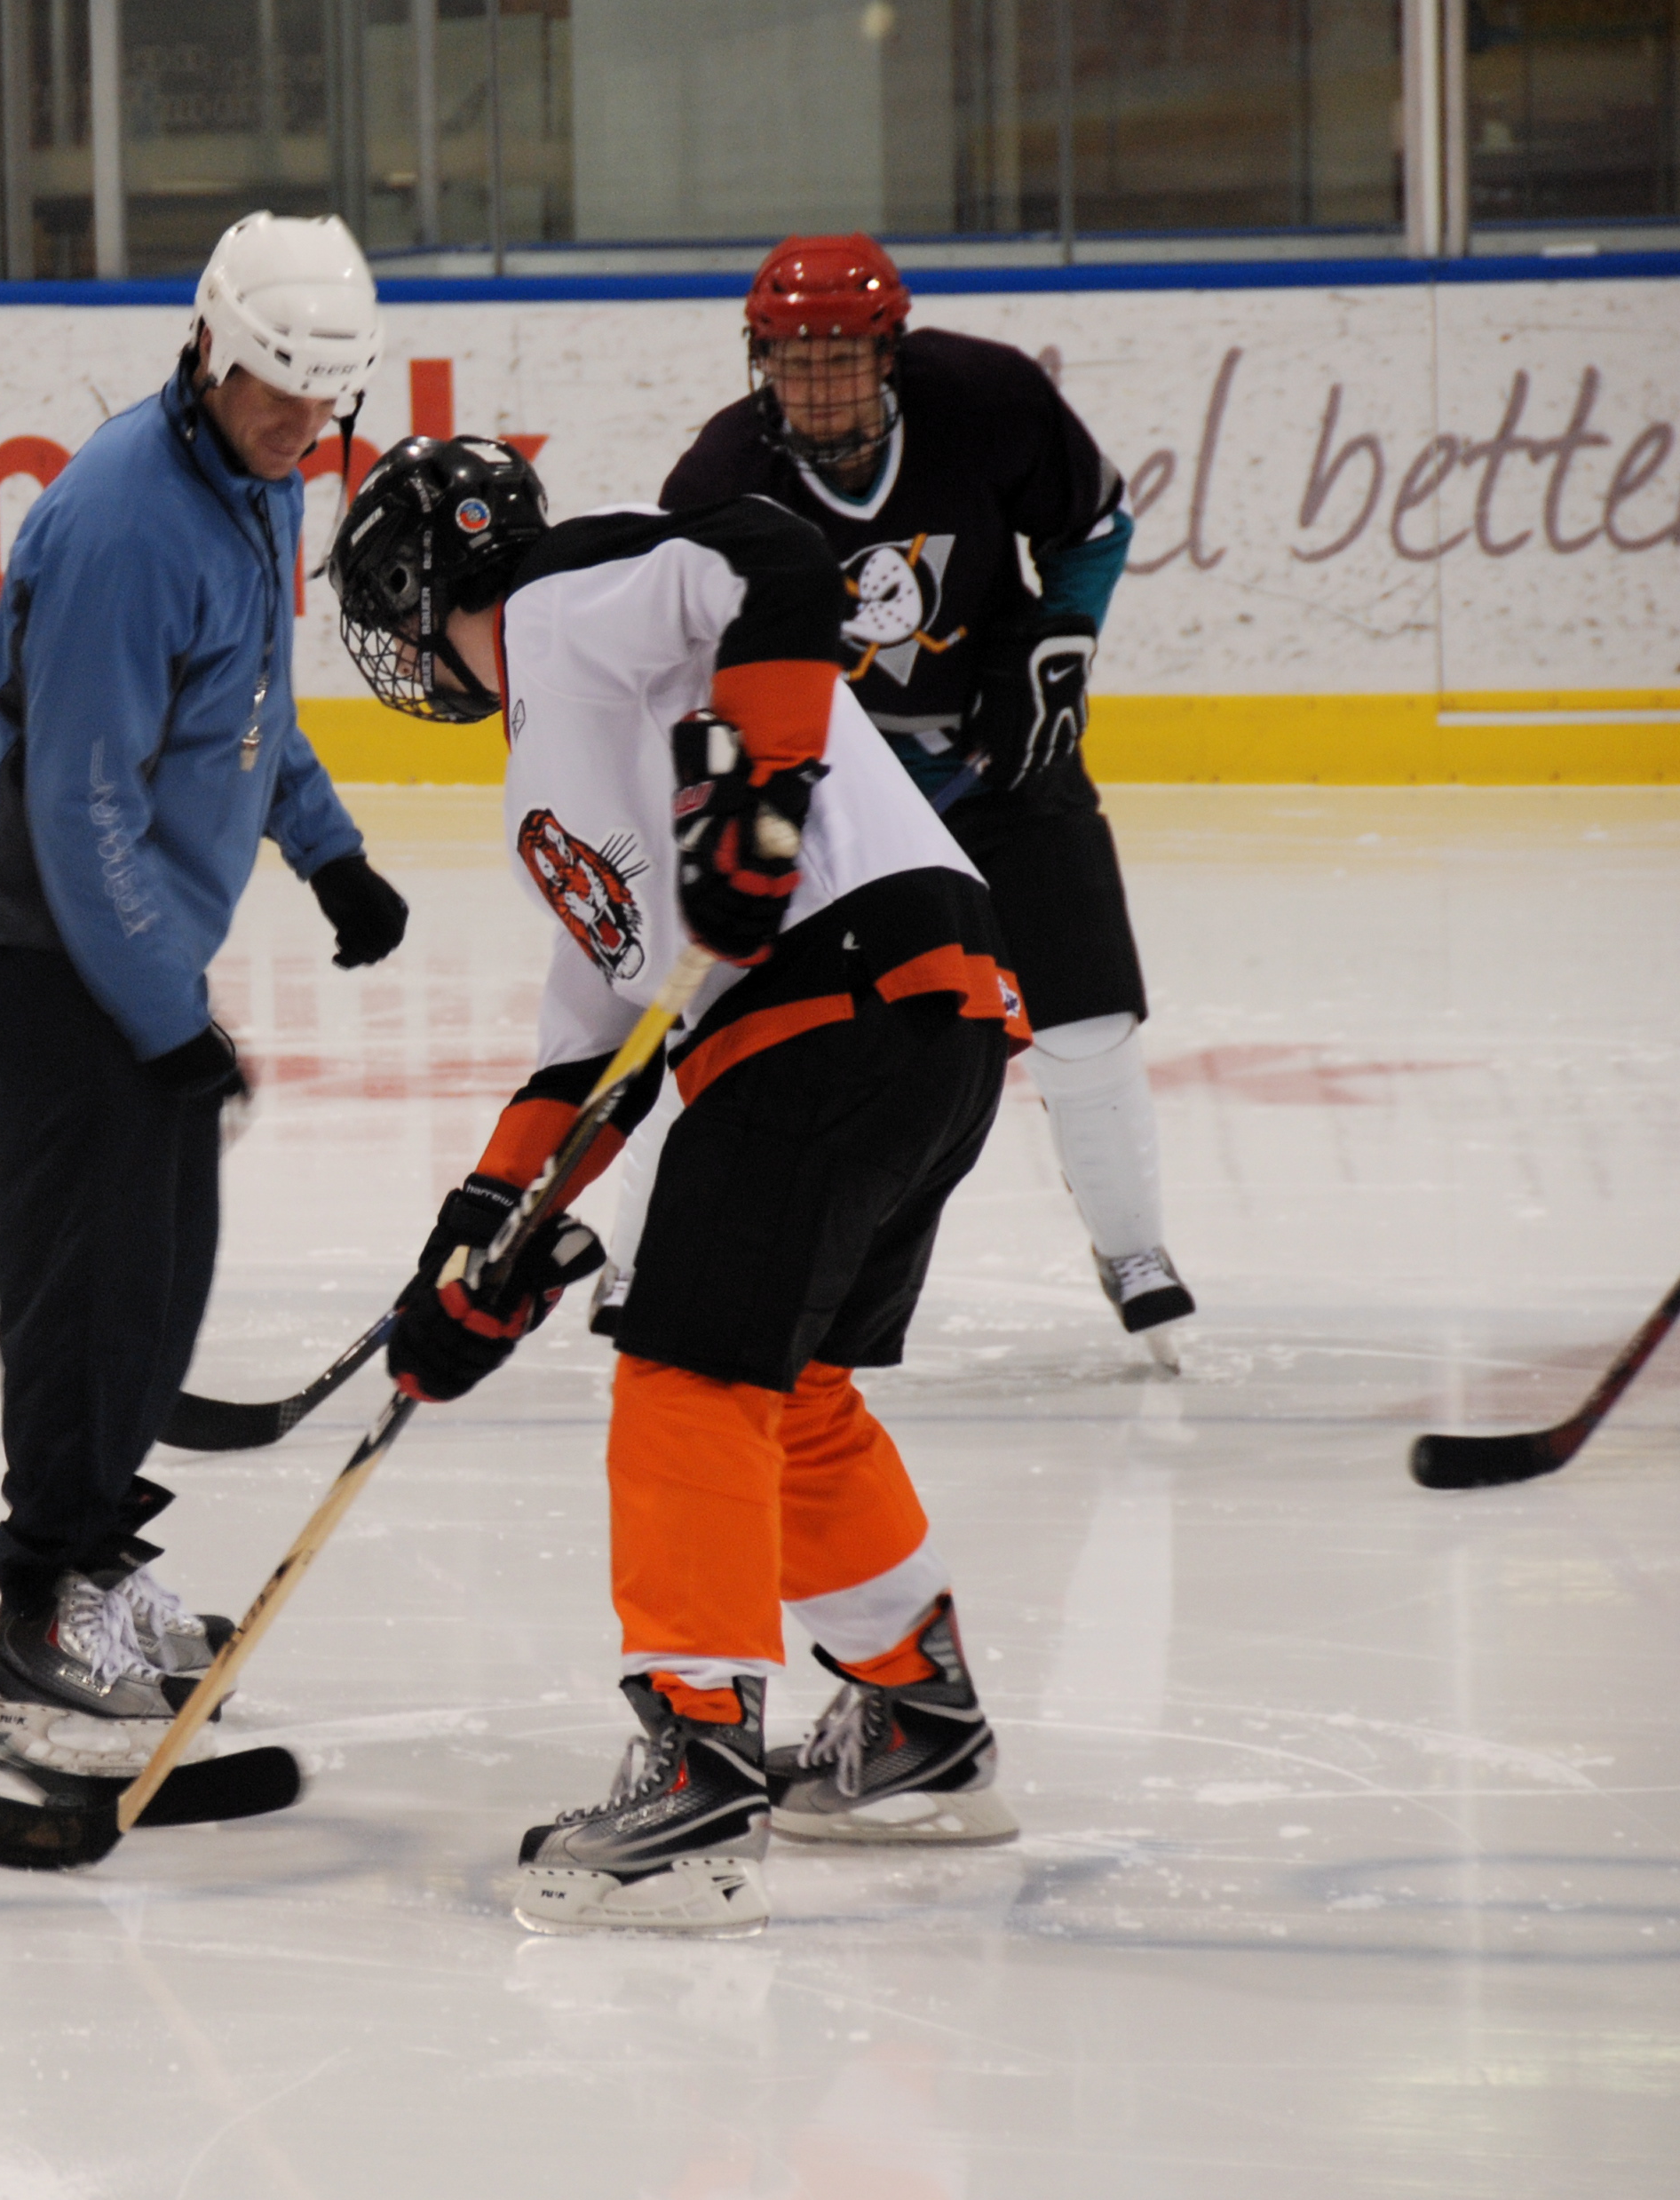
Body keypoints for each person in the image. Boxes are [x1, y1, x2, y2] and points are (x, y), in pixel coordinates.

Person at [330, 435, 1026, 1935]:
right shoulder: (560, 752)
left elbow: (776, 556)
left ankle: (698, 1771)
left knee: (686, 1373)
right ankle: (914, 1721)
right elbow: (592, 1047)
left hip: (830, 1007)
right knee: (793, 1392)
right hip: (929, 1019)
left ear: (411, 590)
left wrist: (762, 800)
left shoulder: (561, 598)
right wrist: (474, 1249)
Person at [0, 209, 413, 1770]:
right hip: (49, 946)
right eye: (275, 384)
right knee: (86, 1280)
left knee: (154, 1272)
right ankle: (42, 1602)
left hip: (127, 946)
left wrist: (327, 851)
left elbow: (249, 706)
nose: (299, 420)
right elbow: (81, 807)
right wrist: (162, 1019)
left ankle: (96, 1554)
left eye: (325, 395)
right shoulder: (126, 523)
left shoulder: (253, 485)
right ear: (209, 348)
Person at [619, 234, 1185, 1364]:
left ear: (889, 354)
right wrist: (731, 781)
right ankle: (641, 1259)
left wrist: (1059, 644)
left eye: (840, 358)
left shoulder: (986, 401)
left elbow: (1092, 527)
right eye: (792, 361)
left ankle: (1134, 1250)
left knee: (1084, 1020)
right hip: (828, 796)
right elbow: (677, 653)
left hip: (999, 757)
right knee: (714, 1024)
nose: (817, 387)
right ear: (759, 362)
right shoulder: (721, 478)